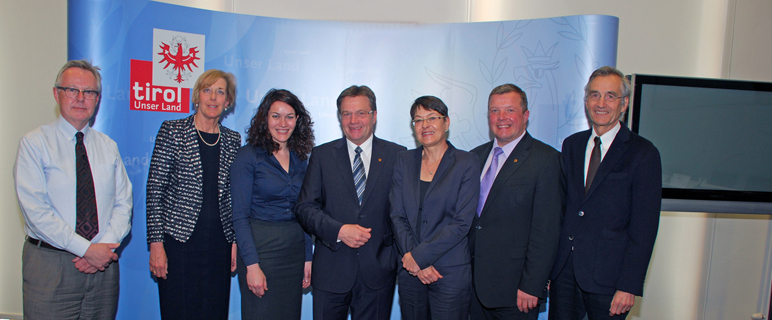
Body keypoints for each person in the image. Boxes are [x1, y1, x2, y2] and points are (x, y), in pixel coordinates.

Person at [14, 59, 133, 319]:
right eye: (72, 90)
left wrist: (101, 250)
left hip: (103, 267)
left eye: (89, 92)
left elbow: (123, 203)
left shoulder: (108, 146)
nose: (80, 98)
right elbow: (36, 211)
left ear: (97, 99)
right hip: (51, 265)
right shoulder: (34, 144)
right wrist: (86, 250)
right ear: (57, 93)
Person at [549, 66, 662, 320]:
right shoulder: (572, 145)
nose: (601, 103)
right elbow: (563, 210)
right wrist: (548, 270)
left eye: (610, 96)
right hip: (564, 275)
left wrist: (629, 285)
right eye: (594, 95)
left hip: (610, 281)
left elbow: (644, 228)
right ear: (586, 100)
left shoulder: (643, 153)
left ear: (624, 104)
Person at [295, 85, 406, 320]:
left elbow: (404, 212)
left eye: (361, 113)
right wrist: (339, 230)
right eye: (346, 113)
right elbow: (305, 208)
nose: (353, 120)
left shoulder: (398, 155)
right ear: (339, 117)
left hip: (378, 273)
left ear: (374, 116)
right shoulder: (322, 155)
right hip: (330, 271)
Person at [146, 69, 241, 319]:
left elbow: (232, 196)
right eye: (207, 90)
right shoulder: (173, 131)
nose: (213, 97)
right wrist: (156, 244)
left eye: (220, 92)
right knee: (178, 311)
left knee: (215, 311)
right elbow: (155, 189)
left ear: (227, 101)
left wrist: (233, 241)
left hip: (219, 245)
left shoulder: (233, 140)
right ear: (197, 96)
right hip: (179, 244)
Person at [469, 84, 564, 320]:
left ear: (526, 116)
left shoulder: (546, 160)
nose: (501, 118)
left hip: (517, 291)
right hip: (472, 287)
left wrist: (533, 285)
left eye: (509, 110)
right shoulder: (474, 157)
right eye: (494, 111)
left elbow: (547, 230)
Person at [390, 95, 481, 320]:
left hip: (449, 272)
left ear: (446, 122)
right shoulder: (403, 160)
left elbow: (461, 223)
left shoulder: (466, 162)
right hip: (410, 271)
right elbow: (397, 215)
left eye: (432, 118)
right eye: (418, 120)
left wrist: (420, 257)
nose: (425, 125)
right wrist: (415, 262)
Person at [230, 89, 315, 320]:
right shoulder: (248, 156)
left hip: (294, 252)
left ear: (297, 120)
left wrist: (308, 257)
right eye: (276, 115)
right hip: (261, 251)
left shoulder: (301, 158)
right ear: (265, 118)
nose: (282, 123)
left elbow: (305, 212)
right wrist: (252, 265)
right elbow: (239, 216)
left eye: (289, 116)